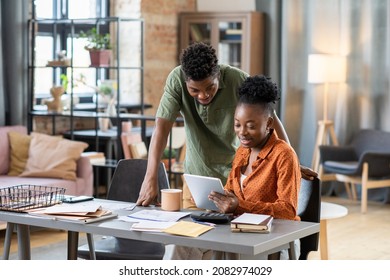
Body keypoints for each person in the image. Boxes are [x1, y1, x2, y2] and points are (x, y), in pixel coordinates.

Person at [136, 42, 316, 209]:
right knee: (191, 237)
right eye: (194, 90)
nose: (203, 96)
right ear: (186, 82)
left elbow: (271, 121)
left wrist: (292, 163)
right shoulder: (176, 80)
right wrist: (150, 177)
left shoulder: (237, 79)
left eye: (210, 87)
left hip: (235, 180)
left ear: (218, 75)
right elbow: (161, 128)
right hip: (198, 180)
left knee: (228, 239)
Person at [166, 75, 301, 260]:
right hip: (235, 233)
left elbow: (288, 210)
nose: (242, 132)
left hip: (274, 239)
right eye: (237, 124)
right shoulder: (242, 152)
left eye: (250, 126)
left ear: (269, 124)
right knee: (179, 245)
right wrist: (220, 202)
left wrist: (240, 206)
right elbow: (230, 191)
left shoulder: (283, 155)